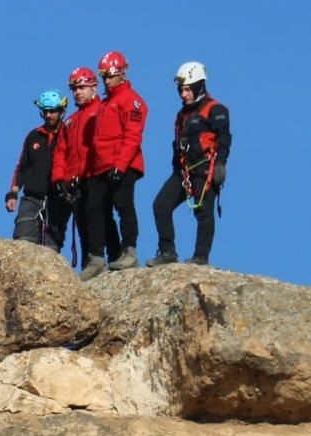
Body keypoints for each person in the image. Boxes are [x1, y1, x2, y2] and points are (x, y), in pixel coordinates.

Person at [149, 62, 232, 267]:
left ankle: (201, 257)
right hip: (183, 172)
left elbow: (224, 137)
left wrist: (220, 163)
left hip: (205, 169)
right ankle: (168, 252)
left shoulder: (216, 110)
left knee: (203, 212)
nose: (183, 94)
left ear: (198, 87)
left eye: (187, 89)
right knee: (161, 205)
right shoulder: (181, 116)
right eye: (181, 90)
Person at [79, 51, 147, 279]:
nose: (106, 81)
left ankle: (129, 251)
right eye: (104, 76)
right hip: (100, 166)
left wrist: (121, 164)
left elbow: (133, 135)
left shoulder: (131, 100)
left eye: (110, 76)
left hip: (122, 163)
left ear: (121, 73)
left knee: (123, 205)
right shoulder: (106, 103)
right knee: (95, 209)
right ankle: (97, 257)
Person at [51, 67, 102, 267]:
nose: (77, 92)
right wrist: (59, 179)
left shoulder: (101, 111)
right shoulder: (70, 121)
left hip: (95, 176)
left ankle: (107, 259)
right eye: (74, 89)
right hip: (75, 181)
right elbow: (60, 153)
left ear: (93, 88)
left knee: (98, 220)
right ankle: (88, 265)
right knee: (81, 224)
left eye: (81, 87)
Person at [6, 91, 69, 250]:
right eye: (45, 111)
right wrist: (13, 193)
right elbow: (22, 167)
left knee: (51, 250)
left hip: (58, 200)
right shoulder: (33, 136)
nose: (48, 115)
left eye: (52, 111)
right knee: (22, 246)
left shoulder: (69, 134)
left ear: (61, 111)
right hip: (31, 199)